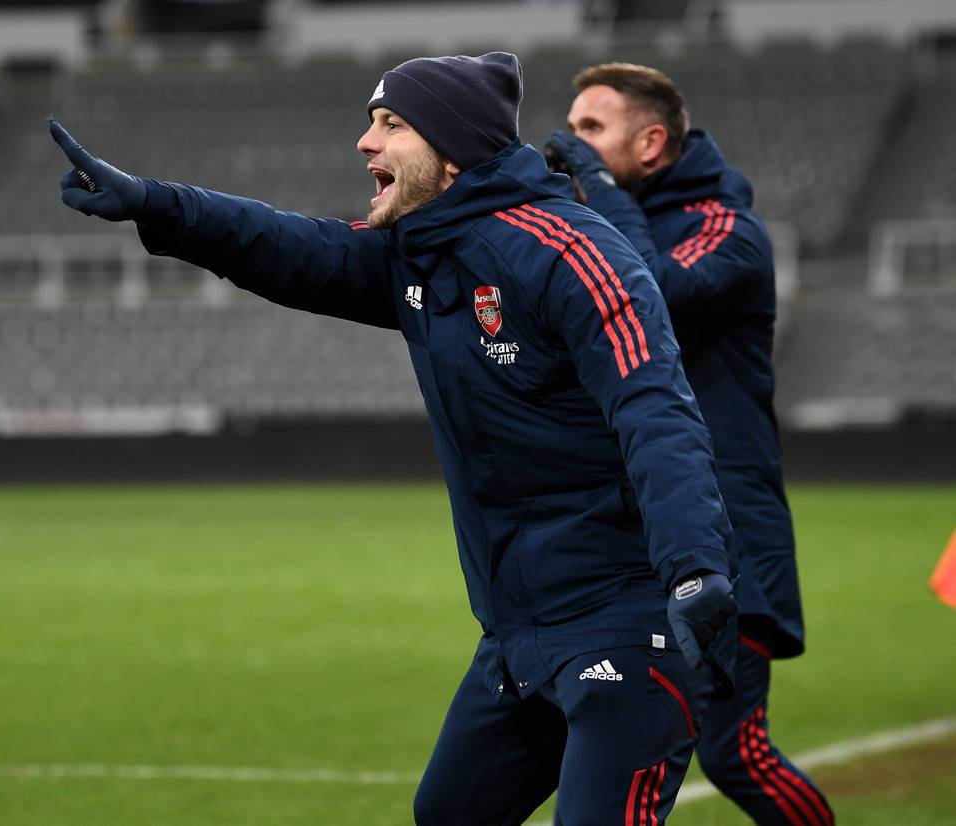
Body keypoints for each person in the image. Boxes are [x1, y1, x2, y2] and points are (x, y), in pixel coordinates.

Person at [49, 52, 739, 825]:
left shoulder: (571, 253)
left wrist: (693, 569)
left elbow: (657, 411)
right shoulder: (421, 254)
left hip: (628, 618)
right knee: (446, 813)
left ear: (453, 150)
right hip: (519, 634)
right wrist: (155, 204)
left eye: (391, 124)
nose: (364, 143)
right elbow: (289, 247)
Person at [544, 62, 834, 825]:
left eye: (590, 130)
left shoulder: (727, 232)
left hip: (728, 533)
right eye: (570, 127)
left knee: (735, 753)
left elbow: (649, 301)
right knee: (614, 739)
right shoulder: (594, 223)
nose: (570, 145)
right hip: (628, 538)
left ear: (650, 144)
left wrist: (596, 195)